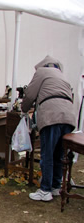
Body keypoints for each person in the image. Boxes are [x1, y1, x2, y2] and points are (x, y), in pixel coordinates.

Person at [21, 55, 77, 201]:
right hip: (68, 115)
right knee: (59, 153)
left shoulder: (42, 72)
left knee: (47, 154)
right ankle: (56, 186)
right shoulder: (61, 76)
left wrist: (24, 108)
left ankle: (45, 190)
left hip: (51, 115)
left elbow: (30, 94)